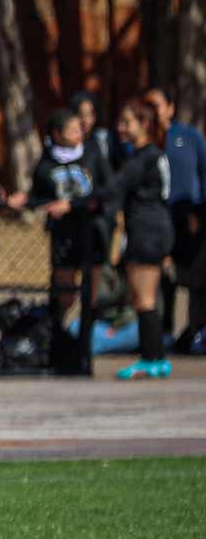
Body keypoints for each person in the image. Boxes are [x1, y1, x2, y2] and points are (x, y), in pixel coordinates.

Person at [15, 106, 113, 368]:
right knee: (65, 294)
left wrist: (72, 205)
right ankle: (57, 344)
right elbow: (39, 194)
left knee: (90, 294)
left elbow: (106, 190)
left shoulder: (92, 154)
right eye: (71, 129)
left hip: (91, 231)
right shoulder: (48, 161)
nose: (78, 132)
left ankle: (84, 350)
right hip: (63, 235)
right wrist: (26, 201)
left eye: (79, 128)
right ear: (57, 134)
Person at [105, 102, 177, 379]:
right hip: (157, 227)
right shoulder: (154, 154)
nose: (121, 128)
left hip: (146, 229)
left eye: (127, 122)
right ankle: (156, 358)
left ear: (144, 124)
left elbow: (116, 186)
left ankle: (150, 358)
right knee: (145, 298)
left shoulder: (144, 156)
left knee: (144, 299)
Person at [141, 86, 204, 338]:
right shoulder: (143, 139)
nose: (153, 111)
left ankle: (195, 332)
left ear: (170, 108)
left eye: (157, 105)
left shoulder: (189, 137)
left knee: (193, 277)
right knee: (158, 278)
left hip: (187, 218)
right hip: (154, 219)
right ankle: (161, 332)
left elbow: (204, 173)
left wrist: (199, 213)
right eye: (148, 106)